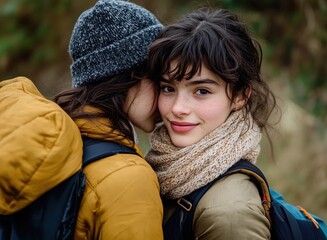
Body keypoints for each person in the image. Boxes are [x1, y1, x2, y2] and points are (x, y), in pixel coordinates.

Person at [145, 8, 277, 239]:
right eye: (168, 88)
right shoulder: (167, 170)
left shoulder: (228, 213)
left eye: (202, 91)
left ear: (239, 96)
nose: (178, 108)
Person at [54, 0, 164, 239]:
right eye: (160, 80)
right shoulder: (128, 178)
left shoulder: (60, 141)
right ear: (131, 75)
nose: (170, 101)